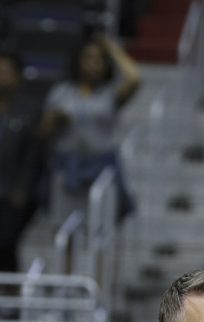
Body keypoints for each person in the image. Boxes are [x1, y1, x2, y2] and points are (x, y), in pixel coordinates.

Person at [40, 32, 140, 222]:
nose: (94, 64)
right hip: (67, 166)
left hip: (102, 167)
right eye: (88, 58)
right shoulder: (61, 92)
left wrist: (112, 49)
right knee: (66, 228)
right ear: (77, 61)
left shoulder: (109, 94)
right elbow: (43, 132)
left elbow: (134, 79)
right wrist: (55, 120)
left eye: (100, 59)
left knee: (101, 228)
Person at [0, 48, 43, 272]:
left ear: (18, 76)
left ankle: (12, 296)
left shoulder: (30, 109)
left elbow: (34, 153)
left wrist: (23, 189)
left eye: (6, 71)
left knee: (6, 243)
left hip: (15, 194)